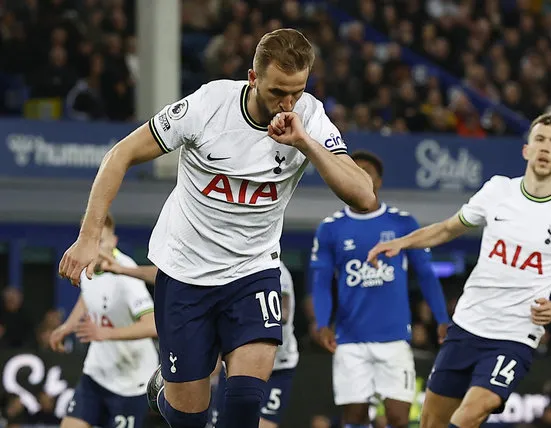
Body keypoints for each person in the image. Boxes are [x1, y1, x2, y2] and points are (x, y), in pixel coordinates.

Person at [57, 27, 375, 428]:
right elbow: (119, 156)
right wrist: (88, 238)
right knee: (190, 420)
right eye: (278, 91)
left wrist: (305, 142)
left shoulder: (309, 117)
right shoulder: (207, 106)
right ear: (253, 78)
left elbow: (364, 196)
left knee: (243, 406)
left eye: (297, 90)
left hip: (252, 272)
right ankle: (163, 394)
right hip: (185, 274)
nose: (287, 103)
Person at [367, 113, 551, 428]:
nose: (546, 147)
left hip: (515, 336)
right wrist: (402, 243)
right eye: (540, 139)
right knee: (431, 421)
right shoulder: (498, 191)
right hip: (467, 325)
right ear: (526, 149)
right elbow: (448, 229)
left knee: (469, 414)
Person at [310, 150, 450, 428]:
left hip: (394, 338)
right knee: (354, 417)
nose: (361, 177)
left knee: (399, 418)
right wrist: (323, 322)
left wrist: (442, 318)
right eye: (355, 171)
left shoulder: (402, 223)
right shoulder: (330, 228)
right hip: (350, 340)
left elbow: (425, 275)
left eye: (368, 172)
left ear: (379, 181)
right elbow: (321, 281)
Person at [99, 253, 299, 428]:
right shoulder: (211, 260)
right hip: (237, 361)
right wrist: (124, 270)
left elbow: (282, 314)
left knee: (253, 417)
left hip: (279, 364)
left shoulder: (269, 270)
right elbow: (172, 275)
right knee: (200, 418)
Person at [49, 213, 158, 428]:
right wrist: (68, 326)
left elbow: (153, 325)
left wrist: (104, 333)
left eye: (101, 241)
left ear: (113, 242)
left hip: (130, 381)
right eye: (90, 239)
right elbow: (88, 295)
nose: (95, 248)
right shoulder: (84, 264)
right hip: (97, 373)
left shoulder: (126, 277)